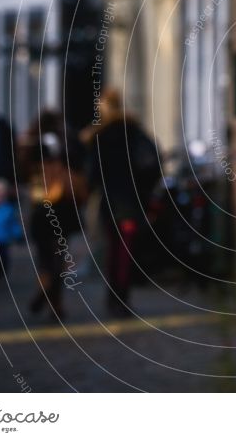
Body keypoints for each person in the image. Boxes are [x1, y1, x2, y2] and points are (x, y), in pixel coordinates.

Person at [83, 90, 161, 317]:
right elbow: (153, 164)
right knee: (125, 251)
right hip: (130, 202)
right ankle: (121, 297)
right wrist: (143, 191)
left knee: (113, 250)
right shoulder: (134, 132)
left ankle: (114, 297)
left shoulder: (100, 136)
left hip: (111, 201)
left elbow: (92, 174)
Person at [24, 111, 87, 321]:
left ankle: (46, 291)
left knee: (44, 257)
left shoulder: (33, 141)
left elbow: (21, 169)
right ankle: (55, 303)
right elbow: (81, 165)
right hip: (64, 207)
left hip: (42, 205)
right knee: (59, 255)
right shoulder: (68, 139)